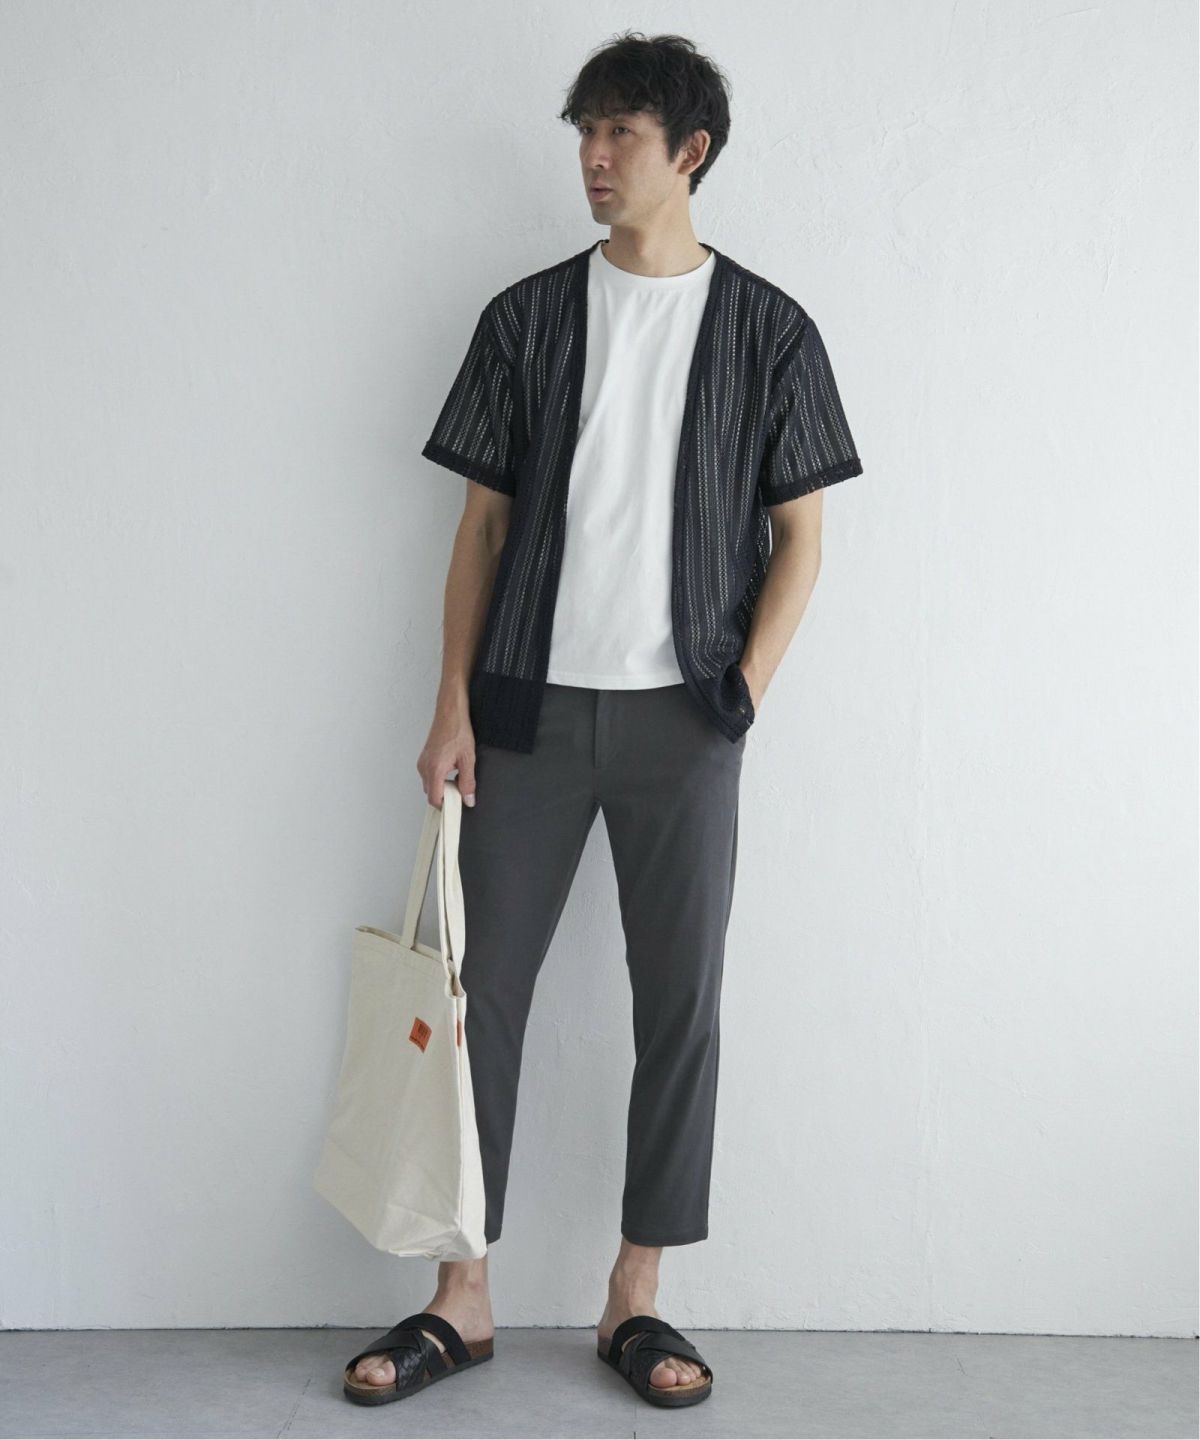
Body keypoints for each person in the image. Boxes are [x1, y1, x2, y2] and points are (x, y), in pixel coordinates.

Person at [343, 28, 863, 1410]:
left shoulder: (769, 331)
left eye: (621, 132)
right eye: (585, 130)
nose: (593, 155)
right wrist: (451, 704)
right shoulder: (524, 320)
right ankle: (464, 1292)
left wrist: (743, 692)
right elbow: (480, 528)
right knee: (478, 1002)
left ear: (690, 152)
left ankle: (638, 1293)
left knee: (681, 1005)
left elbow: (802, 537)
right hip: (521, 714)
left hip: (684, 721)